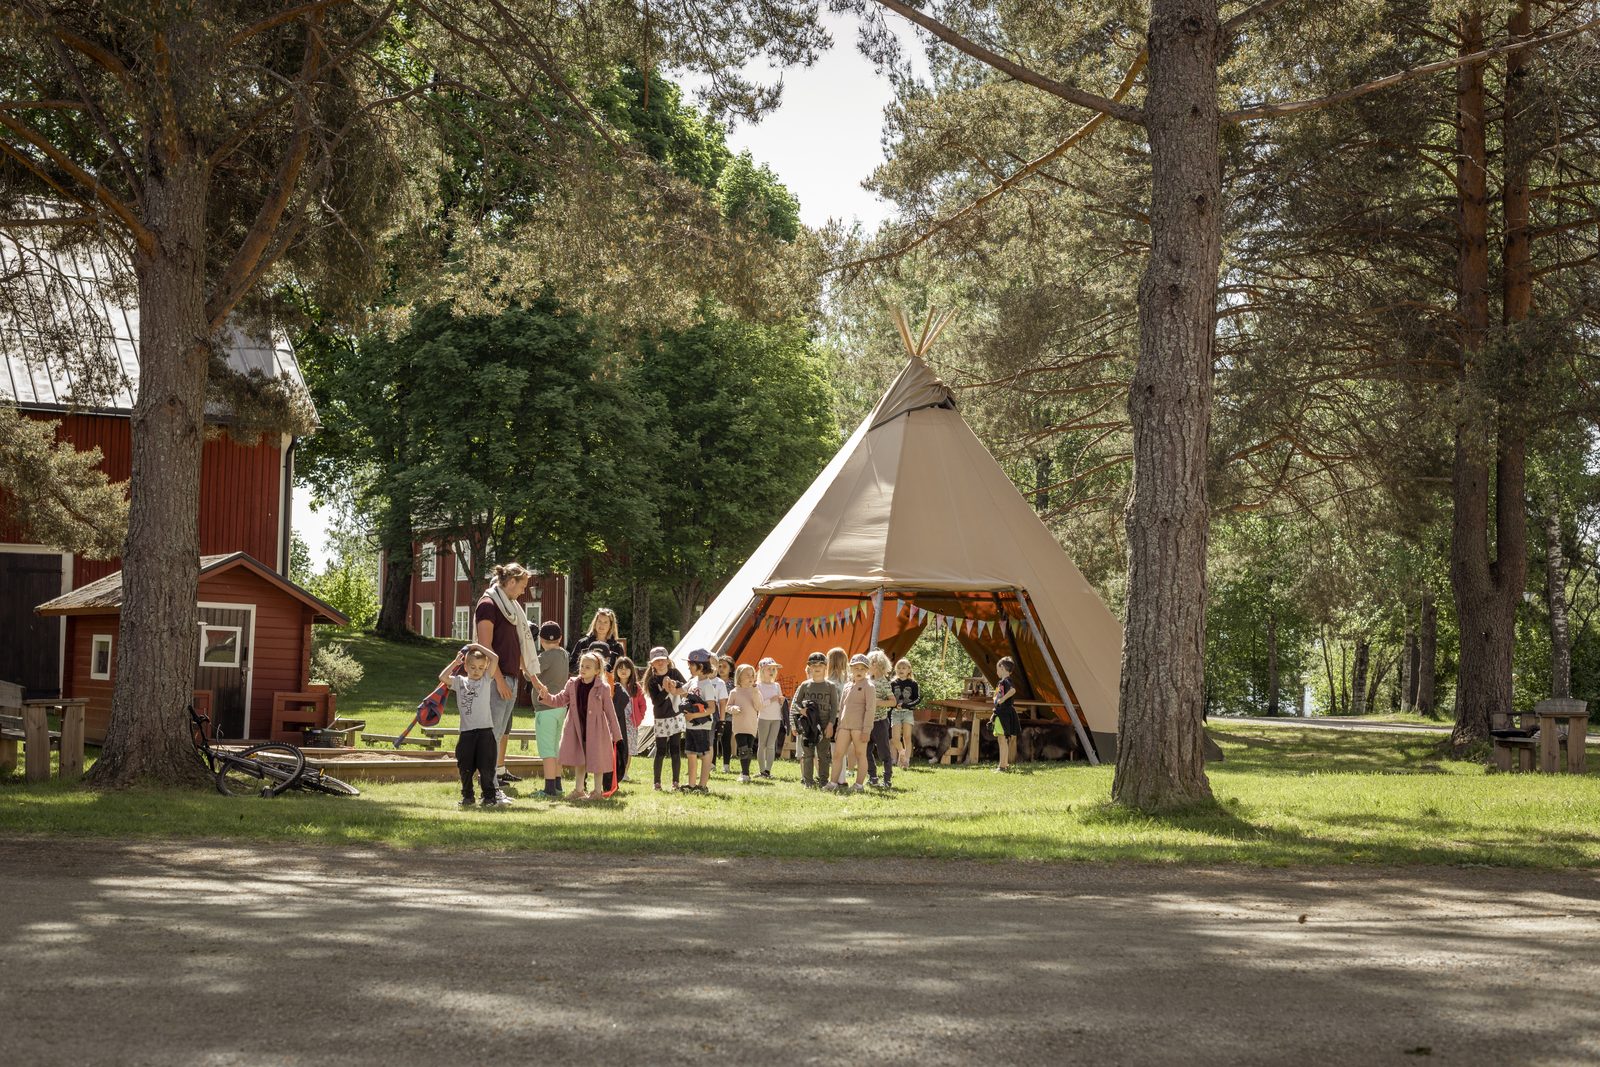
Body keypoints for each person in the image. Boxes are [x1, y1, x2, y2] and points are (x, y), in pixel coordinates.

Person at [475, 563, 537, 791]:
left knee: (498, 733)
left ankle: (490, 785)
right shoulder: (488, 604)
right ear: (510, 582)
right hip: (494, 679)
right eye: (522, 585)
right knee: (491, 734)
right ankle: (488, 786)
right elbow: (484, 646)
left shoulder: (509, 608)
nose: (523, 591)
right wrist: (499, 680)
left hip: (510, 677)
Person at [535, 650, 621, 800]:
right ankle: (579, 790)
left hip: (597, 730)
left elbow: (610, 712)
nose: (583, 669)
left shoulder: (603, 687)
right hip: (577, 728)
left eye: (588, 667)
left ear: (597, 670)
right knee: (579, 760)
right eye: (582, 665)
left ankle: (597, 792)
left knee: (597, 760)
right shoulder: (572, 684)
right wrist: (545, 696)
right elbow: (559, 700)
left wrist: (616, 735)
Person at [441, 642, 508, 807]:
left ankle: (489, 797)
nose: (476, 671)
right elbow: (442, 677)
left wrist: (477, 646)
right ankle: (467, 796)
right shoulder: (459, 682)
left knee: (486, 767)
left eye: (480, 667)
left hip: (485, 733)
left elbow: (495, 658)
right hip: (467, 733)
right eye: (472, 667)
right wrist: (455, 662)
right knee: (465, 766)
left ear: (485, 668)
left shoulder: (486, 680)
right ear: (466, 666)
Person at [825, 654, 874, 792]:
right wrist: (839, 727)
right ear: (850, 669)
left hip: (859, 727)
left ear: (867, 670)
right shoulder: (847, 686)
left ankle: (859, 785)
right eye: (856, 668)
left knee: (860, 754)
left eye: (862, 669)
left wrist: (866, 730)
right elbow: (842, 709)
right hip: (844, 726)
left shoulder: (869, 686)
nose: (859, 671)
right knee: (837, 754)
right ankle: (833, 783)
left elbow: (870, 710)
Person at [791, 651, 840, 788]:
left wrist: (830, 725)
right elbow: (796, 702)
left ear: (825, 667)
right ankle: (808, 781)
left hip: (824, 725)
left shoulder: (830, 686)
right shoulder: (805, 685)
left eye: (820, 664)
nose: (817, 667)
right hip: (808, 726)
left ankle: (823, 781)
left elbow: (835, 707)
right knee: (808, 754)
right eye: (813, 665)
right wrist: (801, 710)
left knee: (823, 755)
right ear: (809, 667)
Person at [534, 621, 570, 797]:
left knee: (547, 748)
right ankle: (557, 784)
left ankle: (549, 789)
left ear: (541, 640)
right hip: (560, 707)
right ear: (560, 638)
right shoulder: (564, 654)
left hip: (545, 707)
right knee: (556, 747)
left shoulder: (546, 656)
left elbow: (529, 673)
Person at [682, 648, 725, 793]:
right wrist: (669, 685)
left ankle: (703, 785)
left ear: (700, 667)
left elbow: (712, 709)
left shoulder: (707, 685)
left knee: (705, 753)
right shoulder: (693, 681)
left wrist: (693, 716)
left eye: (691, 664)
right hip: (691, 725)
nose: (689, 667)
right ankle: (692, 784)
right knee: (691, 754)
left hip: (702, 725)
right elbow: (680, 691)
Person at [646, 647, 687, 791]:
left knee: (675, 749)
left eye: (662, 660)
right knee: (661, 750)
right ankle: (656, 782)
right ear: (652, 664)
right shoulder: (652, 681)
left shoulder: (675, 673)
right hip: (661, 718)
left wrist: (675, 687)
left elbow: (686, 687)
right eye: (657, 661)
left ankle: (676, 781)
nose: (661, 663)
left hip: (676, 715)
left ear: (668, 661)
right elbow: (656, 701)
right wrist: (665, 690)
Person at [602, 656, 642, 792]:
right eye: (620, 668)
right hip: (617, 720)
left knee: (629, 747)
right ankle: (616, 771)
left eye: (626, 668)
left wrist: (638, 717)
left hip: (631, 722)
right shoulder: (612, 686)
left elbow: (643, 705)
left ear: (631, 670)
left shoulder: (636, 688)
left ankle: (625, 771)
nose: (623, 671)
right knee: (617, 746)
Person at [865, 648, 896, 788]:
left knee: (884, 751)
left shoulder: (884, 682)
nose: (866, 667)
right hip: (866, 722)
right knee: (866, 750)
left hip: (880, 722)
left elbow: (893, 702)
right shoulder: (866, 680)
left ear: (876, 664)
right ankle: (872, 776)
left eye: (868, 663)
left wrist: (878, 702)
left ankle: (887, 778)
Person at [725, 663, 761, 782]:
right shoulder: (734, 692)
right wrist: (733, 708)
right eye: (747, 675)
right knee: (743, 748)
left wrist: (755, 692)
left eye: (752, 675)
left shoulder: (756, 691)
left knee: (749, 749)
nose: (751, 677)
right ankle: (745, 774)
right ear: (739, 677)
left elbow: (758, 707)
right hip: (739, 725)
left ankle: (745, 771)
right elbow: (727, 707)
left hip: (751, 725)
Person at [569, 607, 626, 673]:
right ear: (595, 622)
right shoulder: (582, 644)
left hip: (608, 682)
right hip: (586, 682)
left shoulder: (617, 647)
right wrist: (586, 669)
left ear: (610, 625)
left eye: (605, 622)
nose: (602, 625)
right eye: (599, 621)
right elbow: (571, 666)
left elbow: (622, 669)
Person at [754, 657, 785, 778]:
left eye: (774, 669)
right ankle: (762, 770)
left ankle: (768, 771)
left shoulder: (776, 685)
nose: (772, 671)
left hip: (776, 718)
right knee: (762, 744)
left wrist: (781, 701)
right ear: (762, 670)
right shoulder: (758, 686)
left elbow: (780, 703)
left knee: (771, 745)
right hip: (763, 718)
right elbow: (758, 706)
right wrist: (771, 700)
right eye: (769, 669)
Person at [890, 658, 921, 770]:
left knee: (907, 737)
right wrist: (894, 705)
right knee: (895, 738)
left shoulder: (913, 684)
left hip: (908, 713)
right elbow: (889, 698)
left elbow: (918, 699)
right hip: (895, 713)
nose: (901, 670)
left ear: (909, 670)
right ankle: (901, 752)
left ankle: (906, 761)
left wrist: (907, 705)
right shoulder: (892, 683)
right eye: (898, 668)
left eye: (904, 668)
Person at [992, 656, 1020, 772]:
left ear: (1002, 668)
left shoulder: (1006, 681)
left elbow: (1013, 690)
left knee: (1002, 739)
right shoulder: (1002, 682)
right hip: (1001, 713)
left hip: (1004, 714)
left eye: (997, 669)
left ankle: (1002, 766)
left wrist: (1002, 699)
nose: (996, 671)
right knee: (1002, 739)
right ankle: (1004, 764)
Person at [714, 654, 737, 773]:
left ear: (731, 669)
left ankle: (726, 765)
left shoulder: (734, 684)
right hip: (714, 715)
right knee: (712, 740)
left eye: (724, 666)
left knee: (726, 740)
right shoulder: (713, 681)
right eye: (719, 666)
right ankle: (712, 764)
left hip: (728, 716)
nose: (721, 669)